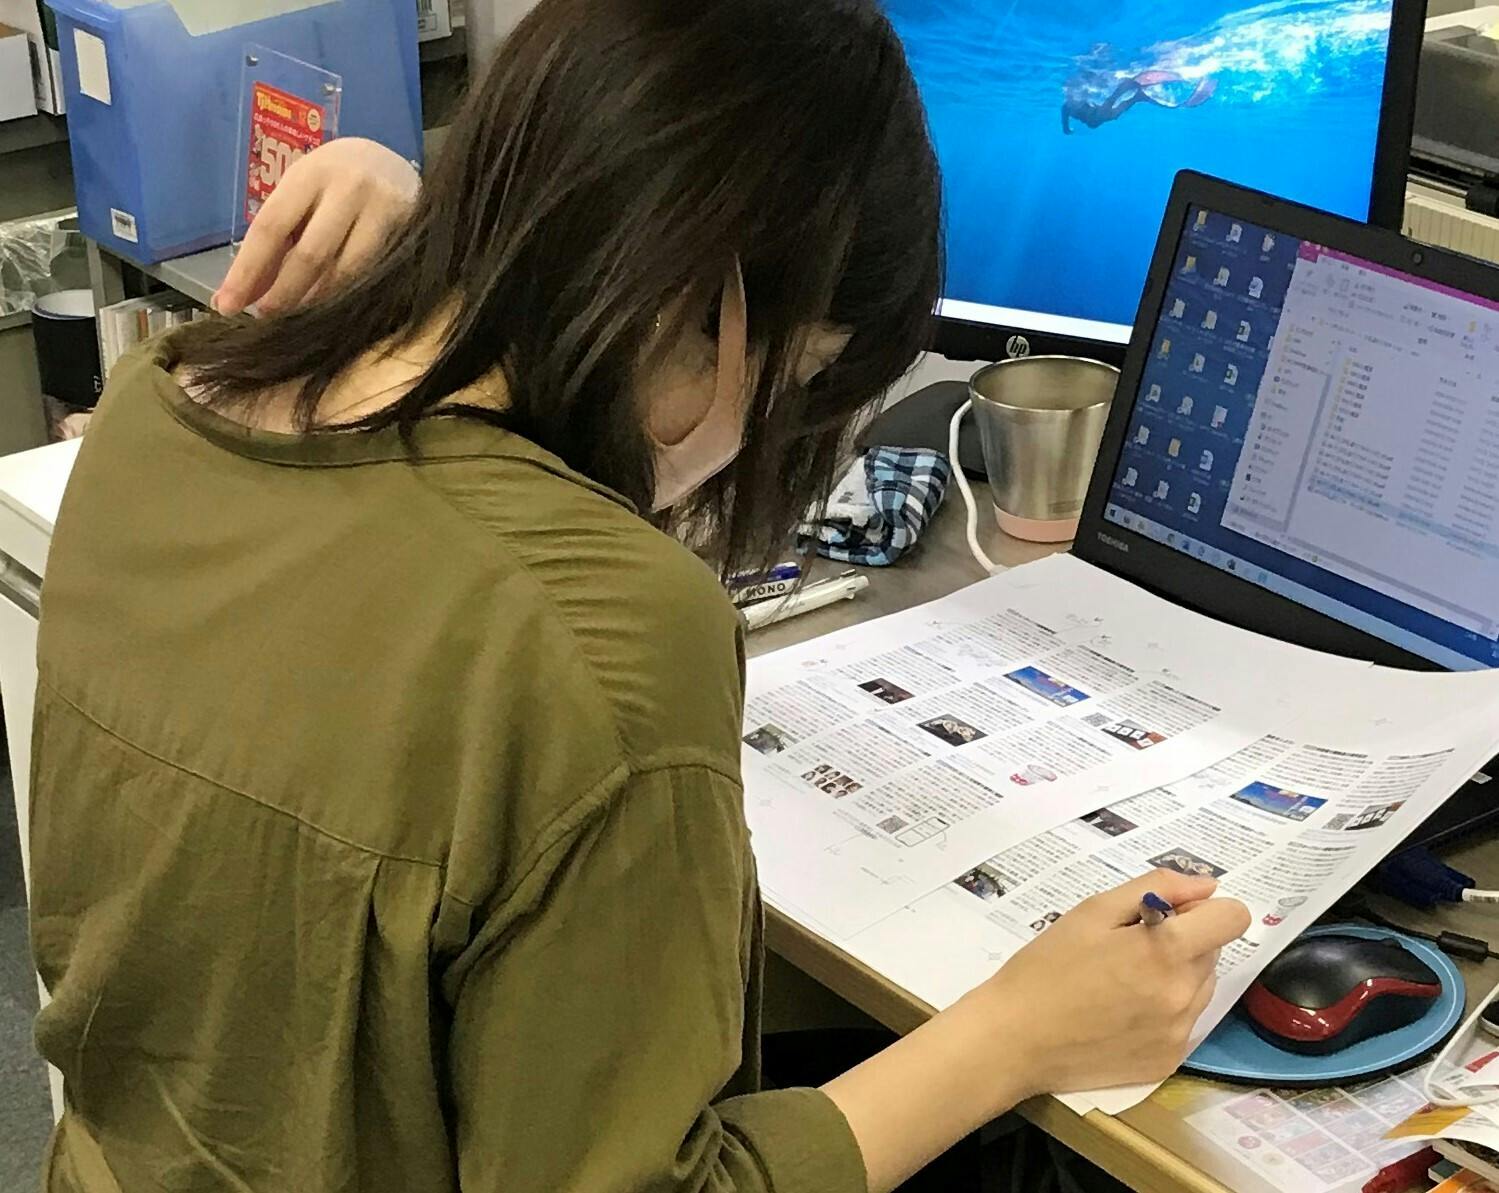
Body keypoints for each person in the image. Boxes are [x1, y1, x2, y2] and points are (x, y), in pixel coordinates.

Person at [29, 1, 1250, 1190]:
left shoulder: (152, 407)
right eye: (803, 376)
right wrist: (1018, 1033)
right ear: (707, 306)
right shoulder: (602, 628)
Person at [1062, 44, 1218, 135]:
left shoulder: (1073, 106)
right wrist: (1067, 128)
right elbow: (1068, 115)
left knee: (1119, 102)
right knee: (1115, 105)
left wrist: (1067, 128)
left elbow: (1067, 114)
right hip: (1103, 114)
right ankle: (1138, 94)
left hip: (1102, 113)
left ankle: (1138, 94)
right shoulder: (1084, 112)